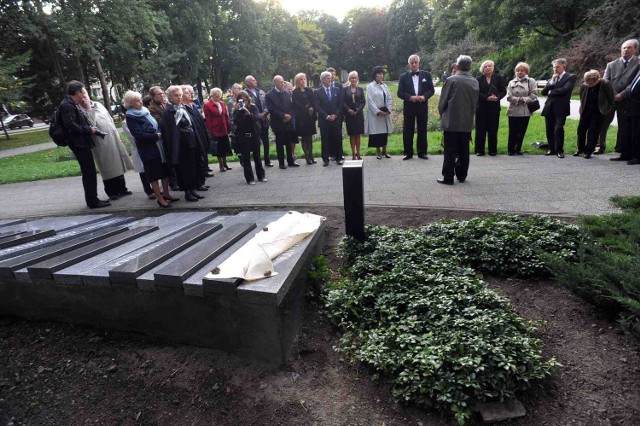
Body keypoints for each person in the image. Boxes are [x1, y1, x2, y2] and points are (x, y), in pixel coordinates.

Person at [57, 80, 110, 209]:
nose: (84, 94)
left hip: (80, 142)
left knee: (89, 172)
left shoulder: (70, 104)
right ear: (78, 93)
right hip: (79, 143)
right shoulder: (68, 106)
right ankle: (93, 201)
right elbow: (70, 125)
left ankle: (93, 199)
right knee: (89, 172)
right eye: (83, 91)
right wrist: (88, 130)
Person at [124, 90, 178, 208]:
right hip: (148, 148)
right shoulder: (130, 116)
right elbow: (138, 135)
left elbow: (156, 124)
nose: (140, 103)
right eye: (136, 101)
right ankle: (159, 198)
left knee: (165, 172)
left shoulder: (145, 111)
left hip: (159, 146)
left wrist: (159, 132)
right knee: (154, 175)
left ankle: (166, 194)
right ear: (130, 103)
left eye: (140, 100)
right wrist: (155, 136)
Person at [77, 89, 133, 201]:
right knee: (107, 167)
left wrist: (116, 134)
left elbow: (109, 118)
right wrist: (88, 108)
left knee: (118, 163)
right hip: (100, 142)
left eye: (85, 94)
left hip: (112, 137)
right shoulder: (80, 110)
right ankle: (112, 192)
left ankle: (122, 188)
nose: (84, 97)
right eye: (81, 95)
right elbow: (91, 124)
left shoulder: (98, 104)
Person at [438, 55, 479, 185]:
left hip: (451, 120)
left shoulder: (451, 80)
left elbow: (442, 102)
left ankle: (448, 177)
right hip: (467, 121)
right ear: (470, 66)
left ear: (457, 66)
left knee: (450, 150)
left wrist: (442, 115)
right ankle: (462, 175)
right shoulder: (475, 81)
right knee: (464, 149)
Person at [161, 85, 205, 202]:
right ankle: (187, 192)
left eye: (180, 95)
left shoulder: (183, 108)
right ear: (170, 97)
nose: (179, 97)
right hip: (180, 145)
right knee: (184, 169)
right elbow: (169, 132)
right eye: (176, 95)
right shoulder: (169, 112)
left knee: (192, 167)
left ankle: (193, 189)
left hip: (191, 141)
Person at [599, 39, 639, 155]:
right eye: (624, 48)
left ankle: (620, 148)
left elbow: (635, 82)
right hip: (610, 99)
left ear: (635, 49)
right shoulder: (611, 64)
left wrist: (623, 94)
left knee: (623, 124)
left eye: (629, 47)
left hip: (627, 99)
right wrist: (615, 94)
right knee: (603, 123)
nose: (625, 50)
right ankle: (600, 146)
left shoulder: (638, 63)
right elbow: (606, 81)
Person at [397, 54, 435, 160]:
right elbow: (400, 93)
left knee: (422, 129)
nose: (414, 64)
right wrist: (410, 97)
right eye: (412, 63)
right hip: (409, 107)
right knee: (408, 130)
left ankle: (422, 152)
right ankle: (408, 153)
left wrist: (424, 96)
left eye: (416, 62)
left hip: (422, 106)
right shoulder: (403, 77)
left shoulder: (426, 75)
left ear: (419, 63)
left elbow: (431, 90)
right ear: (409, 64)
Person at [541, 58, 577, 158]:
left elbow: (565, 90)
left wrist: (551, 92)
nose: (555, 69)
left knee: (559, 129)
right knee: (549, 129)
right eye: (554, 67)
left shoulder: (570, 77)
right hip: (549, 107)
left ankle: (559, 150)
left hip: (561, 108)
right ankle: (551, 149)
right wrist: (552, 82)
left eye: (557, 67)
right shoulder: (552, 78)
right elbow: (543, 92)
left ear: (564, 66)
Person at [575, 70, 615, 159]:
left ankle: (589, 151)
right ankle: (581, 149)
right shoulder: (584, 85)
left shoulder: (605, 84)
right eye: (587, 82)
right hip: (585, 111)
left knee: (593, 132)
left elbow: (611, 99)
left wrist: (606, 110)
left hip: (598, 112)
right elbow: (582, 97)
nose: (589, 84)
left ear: (596, 79)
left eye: (591, 82)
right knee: (581, 130)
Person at [182, 85, 213, 188]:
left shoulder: (193, 105)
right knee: (196, 161)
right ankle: (197, 184)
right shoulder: (183, 109)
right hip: (194, 138)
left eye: (190, 92)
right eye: (187, 93)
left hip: (201, 135)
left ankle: (201, 181)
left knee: (201, 159)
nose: (191, 94)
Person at [232, 91, 266, 185]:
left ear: (248, 99)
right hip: (243, 136)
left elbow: (256, 118)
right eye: (241, 101)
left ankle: (261, 176)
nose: (243, 102)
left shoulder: (253, 107)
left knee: (257, 156)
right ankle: (249, 178)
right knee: (246, 158)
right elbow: (235, 122)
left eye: (245, 100)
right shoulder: (236, 109)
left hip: (254, 135)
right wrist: (240, 111)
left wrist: (248, 113)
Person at [265, 75, 299, 169]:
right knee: (280, 143)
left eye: (283, 82)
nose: (282, 83)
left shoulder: (287, 93)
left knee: (289, 142)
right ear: (275, 83)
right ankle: (281, 163)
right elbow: (271, 109)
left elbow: (292, 107)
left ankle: (290, 161)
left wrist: (290, 115)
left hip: (288, 121)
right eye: (280, 82)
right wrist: (283, 115)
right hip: (278, 122)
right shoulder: (269, 95)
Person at [475, 60, 506, 156]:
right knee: (480, 130)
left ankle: (492, 150)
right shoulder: (478, 79)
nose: (488, 67)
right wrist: (487, 98)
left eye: (490, 66)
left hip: (494, 108)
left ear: (493, 67)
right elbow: (476, 92)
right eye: (485, 66)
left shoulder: (499, 78)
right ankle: (479, 150)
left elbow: (503, 91)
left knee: (493, 129)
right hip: (482, 108)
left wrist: (497, 98)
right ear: (482, 69)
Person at [506, 62, 537, 155]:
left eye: (522, 70)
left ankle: (518, 149)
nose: (519, 72)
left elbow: (534, 94)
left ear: (526, 72)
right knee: (512, 131)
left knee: (521, 131)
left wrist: (525, 99)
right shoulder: (511, 82)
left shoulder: (531, 81)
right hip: (513, 110)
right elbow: (508, 97)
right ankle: (511, 150)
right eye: (517, 70)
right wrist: (518, 99)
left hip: (525, 110)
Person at [314, 70, 344, 166]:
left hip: (336, 119)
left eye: (330, 78)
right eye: (328, 78)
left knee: (338, 139)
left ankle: (339, 157)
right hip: (324, 120)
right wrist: (326, 116)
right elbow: (317, 106)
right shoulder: (317, 92)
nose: (330, 80)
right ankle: (325, 159)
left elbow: (340, 104)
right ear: (323, 80)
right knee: (325, 140)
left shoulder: (336, 90)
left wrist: (335, 115)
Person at [365, 66, 393, 159]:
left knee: (384, 133)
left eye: (381, 74)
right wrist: (378, 112)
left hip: (385, 114)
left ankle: (385, 151)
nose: (380, 75)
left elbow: (389, 98)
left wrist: (388, 110)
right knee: (377, 133)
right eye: (378, 73)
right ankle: (378, 152)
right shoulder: (370, 86)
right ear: (374, 75)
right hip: (376, 115)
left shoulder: (385, 86)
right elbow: (370, 101)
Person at [244, 75, 272, 167]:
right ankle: (258, 161)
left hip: (264, 120)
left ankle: (267, 160)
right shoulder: (244, 94)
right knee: (256, 143)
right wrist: (257, 116)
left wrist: (264, 114)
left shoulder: (261, 92)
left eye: (255, 80)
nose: (256, 81)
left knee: (266, 142)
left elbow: (267, 105)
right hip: (254, 122)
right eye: (253, 80)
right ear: (248, 82)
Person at [204, 88, 233, 172]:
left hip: (223, 128)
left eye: (219, 97)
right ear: (212, 96)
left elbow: (226, 116)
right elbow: (208, 119)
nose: (218, 98)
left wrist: (228, 126)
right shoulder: (207, 105)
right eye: (216, 97)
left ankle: (225, 163)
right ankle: (220, 164)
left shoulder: (222, 103)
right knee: (218, 148)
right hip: (215, 129)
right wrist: (210, 130)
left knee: (224, 146)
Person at [291, 72, 318, 165]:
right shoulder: (295, 92)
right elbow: (296, 104)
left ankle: (311, 155)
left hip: (310, 117)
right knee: (304, 138)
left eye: (304, 79)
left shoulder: (309, 90)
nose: (303, 81)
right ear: (297, 81)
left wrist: (312, 108)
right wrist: (307, 108)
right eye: (301, 79)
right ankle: (306, 156)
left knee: (310, 137)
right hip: (301, 118)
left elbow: (313, 101)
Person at [618, 69, 640, 164]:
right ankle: (626, 154)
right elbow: (631, 86)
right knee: (628, 131)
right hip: (631, 106)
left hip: (638, 107)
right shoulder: (638, 71)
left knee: (637, 133)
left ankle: (638, 156)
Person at [342, 71, 365, 160]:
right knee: (352, 135)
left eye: (355, 77)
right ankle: (353, 154)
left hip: (358, 115)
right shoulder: (345, 90)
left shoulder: (360, 89)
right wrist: (348, 110)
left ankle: (358, 153)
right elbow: (342, 102)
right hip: (349, 115)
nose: (353, 79)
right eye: (351, 78)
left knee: (358, 135)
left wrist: (358, 110)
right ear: (349, 79)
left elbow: (363, 101)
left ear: (357, 79)